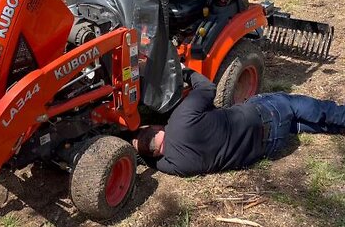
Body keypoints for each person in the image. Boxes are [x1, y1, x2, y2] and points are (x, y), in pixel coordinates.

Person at [132, 69, 345, 177]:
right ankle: (340, 116)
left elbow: (150, 161)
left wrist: (135, 149)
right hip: (268, 114)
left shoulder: (173, 166)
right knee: (294, 104)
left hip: (272, 146)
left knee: (293, 123)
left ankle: (333, 128)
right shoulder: (181, 121)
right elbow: (207, 88)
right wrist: (185, 71)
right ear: (155, 127)